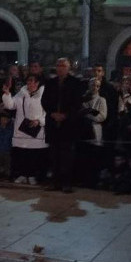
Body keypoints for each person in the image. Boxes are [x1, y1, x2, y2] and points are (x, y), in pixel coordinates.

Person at [41, 58, 84, 192]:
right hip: (53, 123)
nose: (60, 68)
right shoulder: (50, 83)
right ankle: (55, 182)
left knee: (67, 155)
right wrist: (53, 113)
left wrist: (65, 115)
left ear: (68, 68)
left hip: (68, 124)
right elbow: (45, 100)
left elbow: (77, 103)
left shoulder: (75, 83)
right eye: (58, 65)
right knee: (54, 155)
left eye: (63, 66)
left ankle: (67, 183)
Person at [2, 73, 47, 185]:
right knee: (22, 154)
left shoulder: (43, 95)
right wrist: (7, 93)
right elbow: (10, 105)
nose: (30, 83)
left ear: (37, 83)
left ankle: (32, 175)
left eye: (32, 81)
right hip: (21, 130)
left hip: (36, 131)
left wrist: (39, 121)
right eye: (28, 81)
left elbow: (47, 112)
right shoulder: (21, 94)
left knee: (33, 155)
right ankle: (22, 174)